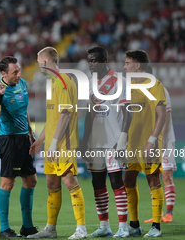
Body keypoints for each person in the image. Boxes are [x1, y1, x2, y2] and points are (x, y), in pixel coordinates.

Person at [28, 47, 87, 239]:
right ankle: (51, 229)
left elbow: (65, 115)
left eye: (38, 62)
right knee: (52, 184)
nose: (38, 66)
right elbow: (52, 119)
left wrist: (53, 143)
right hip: (52, 144)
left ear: (45, 62)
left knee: (69, 181)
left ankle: (81, 229)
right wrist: (40, 141)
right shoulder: (52, 84)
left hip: (64, 144)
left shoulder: (64, 81)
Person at [81, 47, 131, 238]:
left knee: (116, 181)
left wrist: (122, 140)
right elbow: (88, 113)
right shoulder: (91, 83)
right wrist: (85, 141)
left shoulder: (119, 81)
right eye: (88, 61)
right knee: (97, 182)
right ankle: (104, 226)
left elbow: (128, 112)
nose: (90, 64)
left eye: (93, 60)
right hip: (96, 142)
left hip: (114, 140)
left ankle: (124, 227)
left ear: (103, 60)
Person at [0, 56, 38, 238]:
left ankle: (27, 227)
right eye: (14, 72)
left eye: (19, 71)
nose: (19, 74)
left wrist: (31, 133)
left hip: (24, 138)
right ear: (3, 74)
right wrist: (0, 97)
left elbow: (23, 110)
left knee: (31, 181)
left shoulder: (22, 84)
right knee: (8, 183)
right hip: (9, 140)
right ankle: (5, 229)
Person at [123, 50, 166, 237]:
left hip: (149, 143)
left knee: (153, 180)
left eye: (127, 63)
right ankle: (134, 225)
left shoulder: (154, 85)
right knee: (128, 180)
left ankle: (156, 226)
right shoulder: (129, 85)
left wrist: (152, 140)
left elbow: (162, 115)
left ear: (137, 65)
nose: (124, 67)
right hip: (132, 143)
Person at [144, 65, 177, 223]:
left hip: (164, 140)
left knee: (166, 175)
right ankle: (158, 213)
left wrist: (162, 142)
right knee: (152, 176)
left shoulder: (161, 89)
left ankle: (169, 213)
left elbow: (166, 117)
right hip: (149, 141)